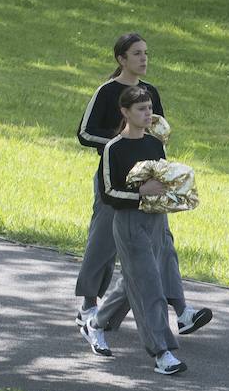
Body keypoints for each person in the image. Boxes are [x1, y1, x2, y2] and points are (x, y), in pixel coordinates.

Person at [74, 33, 210, 356]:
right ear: (122, 59)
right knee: (103, 244)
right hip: (116, 177)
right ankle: (89, 307)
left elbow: (157, 132)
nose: (144, 59)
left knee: (161, 244)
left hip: (150, 180)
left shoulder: (151, 93)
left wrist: (162, 167)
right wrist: (119, 145)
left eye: (146, 53)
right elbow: (84, 132)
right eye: (137, 54)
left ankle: (182, 310)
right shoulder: (107, 93)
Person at [81, 86, 188, 375]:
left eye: (149, 107)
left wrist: (176, 190)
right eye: (141, 109)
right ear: (125, 112)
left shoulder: (155, 145)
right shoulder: (113, 148)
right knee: (151, 287)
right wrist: (141, 193)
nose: (147, 113)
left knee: (134, 282)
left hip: (154, 221)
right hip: (128, 224)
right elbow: (109, 194)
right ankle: (162, 353)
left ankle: (95, 323)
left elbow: (162, 179)